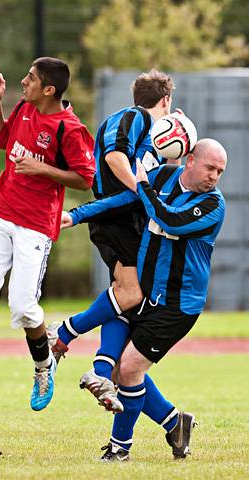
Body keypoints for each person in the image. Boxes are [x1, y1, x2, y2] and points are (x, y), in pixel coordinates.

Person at [62, 138, 227, 461]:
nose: (214, 176)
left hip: (178, 305)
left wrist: (143, 185)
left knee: (130, 369)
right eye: (210, 167)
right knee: (120, 348)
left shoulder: (213, 205)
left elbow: (169, 220)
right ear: (189, 159)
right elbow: (123, 200)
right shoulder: (163, 177)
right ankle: (174, 422)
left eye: (220, 171)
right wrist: (77, 215)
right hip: (149, 291)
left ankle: (119, 450)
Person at [0, 57, 95, 411]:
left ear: (49, 89)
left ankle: (44, 367)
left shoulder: (70, 129)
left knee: (24, 308)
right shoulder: (23, 108)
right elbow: (3, 141)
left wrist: (43, 169)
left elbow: (85, 178)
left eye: (30, 78)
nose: (22, 81)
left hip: (35, 223)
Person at [50, 70, 178, 411]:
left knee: (125, 302)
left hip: (131, 223)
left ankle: (103, 370)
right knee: (131, 293)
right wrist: (143, 191)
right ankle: (63, 333)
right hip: (116, 222)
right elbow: (114, 158)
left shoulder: (156, 140)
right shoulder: (132, 117)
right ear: (165, 99)